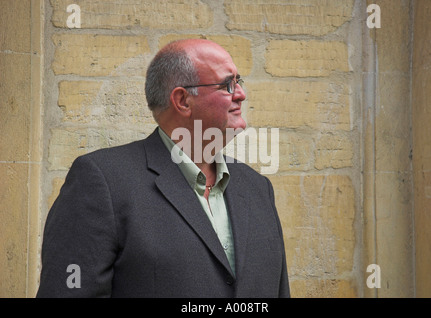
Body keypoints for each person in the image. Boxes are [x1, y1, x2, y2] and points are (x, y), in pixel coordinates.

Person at [37, 39, 290, 298]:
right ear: (182, 100)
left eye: (239, 82)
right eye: (227, 85)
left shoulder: (258, 189)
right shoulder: (102, 182)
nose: (240, 94)